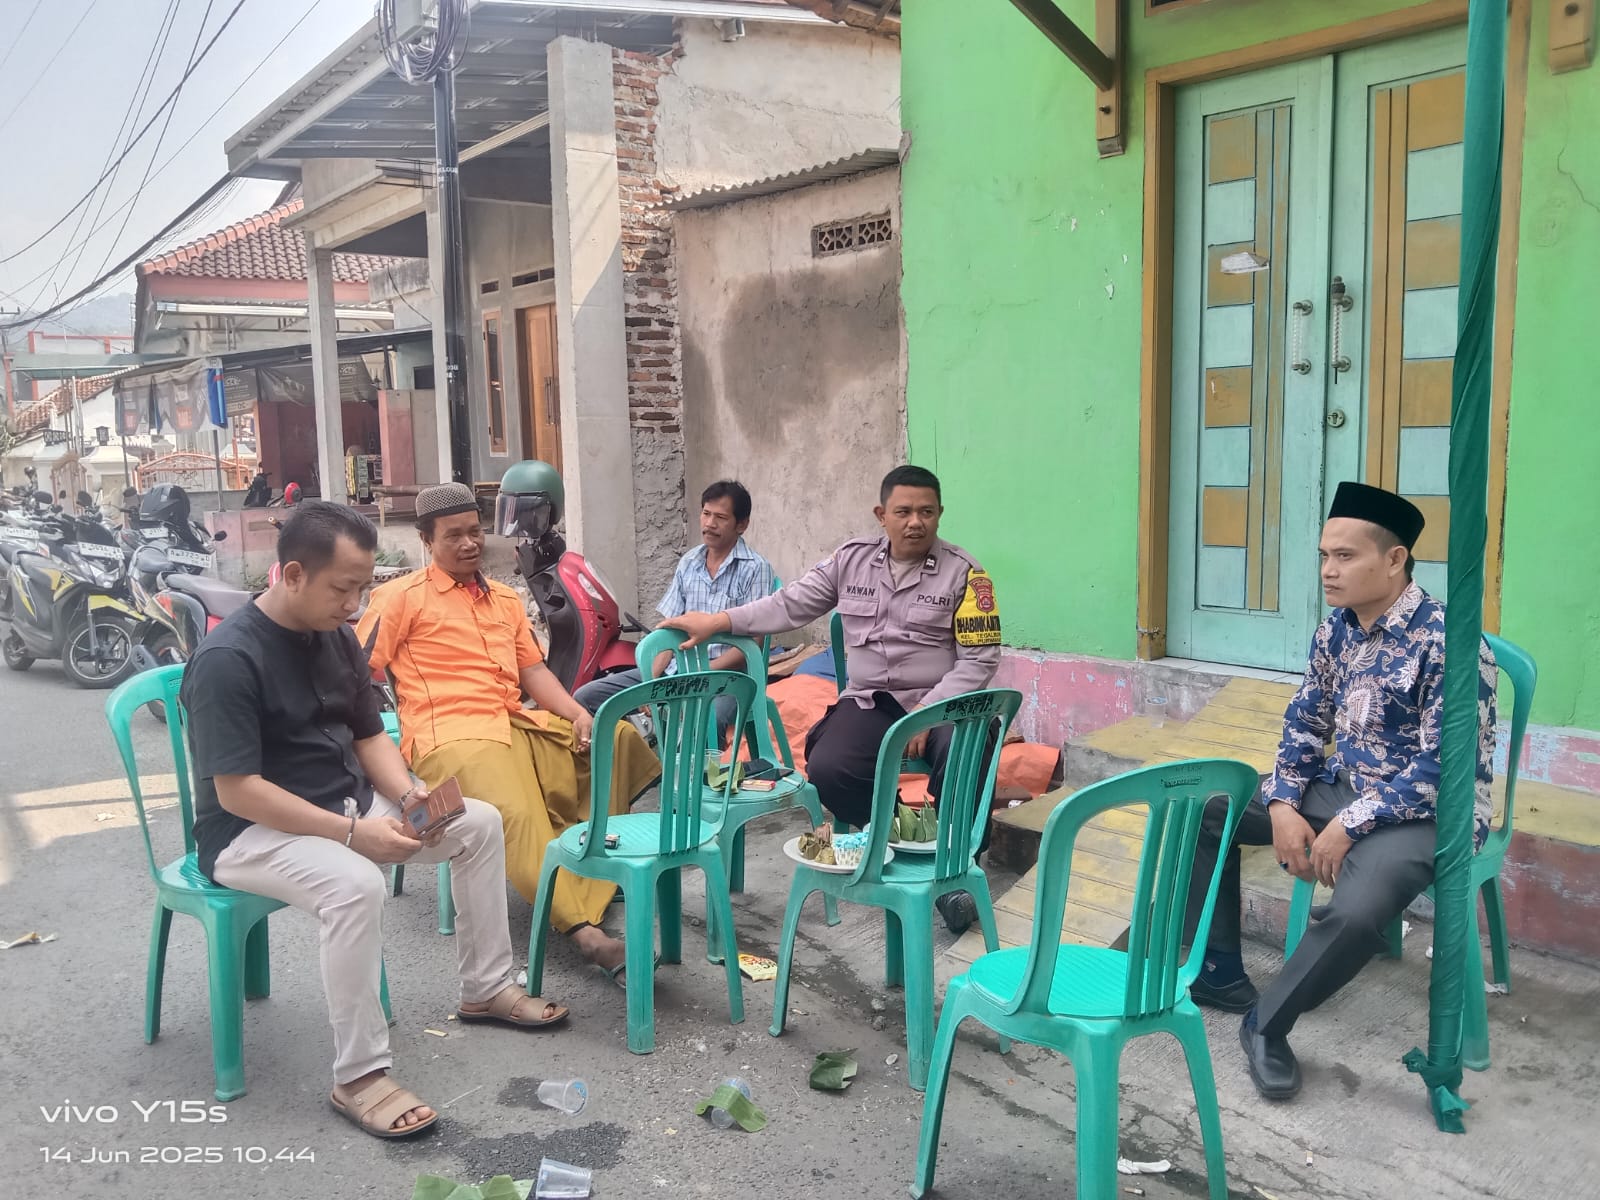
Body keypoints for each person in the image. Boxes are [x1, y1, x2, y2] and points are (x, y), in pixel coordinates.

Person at [182, 501, 569, 1142]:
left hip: (347, 805)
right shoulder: (229, 658)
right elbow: (238, 791)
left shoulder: (335, 637)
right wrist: (351, 834)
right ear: (294, 575)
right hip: (248, 832)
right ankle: (358, 1075)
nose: (355, 605)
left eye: (363, 588)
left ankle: (486, 988)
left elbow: (368, 737)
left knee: (475, 823)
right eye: (343, 589)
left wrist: (411, 796)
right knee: (355, 885)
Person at [1181, 481, 1498, 1102]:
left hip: (1429, 814)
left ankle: (1266, 1025)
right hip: (1344, 788)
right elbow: (1305, 720)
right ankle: (1216, 970)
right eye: (1325, 555)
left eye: (1346, 556)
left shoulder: (1451, 643)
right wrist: (1281, 803)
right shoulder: (1338, 629)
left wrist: (1347, 825)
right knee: (1208, 812)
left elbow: (1442, 768)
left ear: (1396, 559)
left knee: (1355, 912)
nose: (1328, 570)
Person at [661, 465, 1003, 934]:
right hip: (871, 701)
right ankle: (895, 839)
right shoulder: (851, 560)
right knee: (828, 768)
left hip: (940, 702)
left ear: (940, 514)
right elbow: (789, 604)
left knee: (967, 751)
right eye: (903, 511)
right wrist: (719, 622)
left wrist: (928, 713)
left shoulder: (966, 574)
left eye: (926, 512)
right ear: (881, 515)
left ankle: (954, 869)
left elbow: (980, 660)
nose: (915, 522)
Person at [357, 483, 661, 986]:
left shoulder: (504, 599)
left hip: (513, 722)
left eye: (475, 531)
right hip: (451, 735)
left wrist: (578, 713)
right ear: (426, 541)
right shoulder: (399, 599)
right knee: (514, 812)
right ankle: (586, 933)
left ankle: (586, 871)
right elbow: (354, 674)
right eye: (453, 536)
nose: (469, 544)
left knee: (617, 741)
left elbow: (533, 672)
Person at [575, 479, 775, 742]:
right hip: (676, 672)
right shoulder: (690, 562)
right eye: (706, 513)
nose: (710, 524)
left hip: (727, 679)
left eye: (720, 517)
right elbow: (668, 632)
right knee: (586, 698)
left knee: (708, 718)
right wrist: (651, 681)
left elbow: (752, 644)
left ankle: (700, 770)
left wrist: (697, 675)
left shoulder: (756, 568)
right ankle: (630, 763)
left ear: (742, 524)